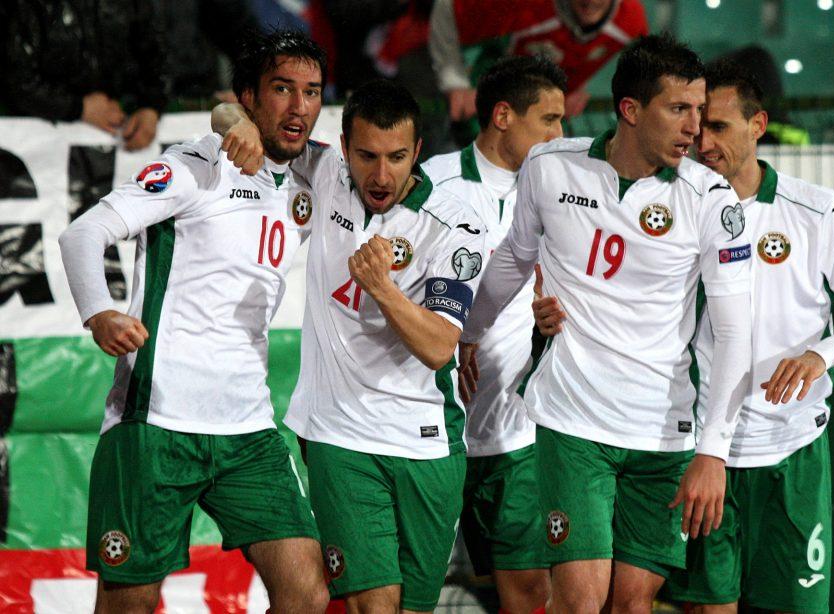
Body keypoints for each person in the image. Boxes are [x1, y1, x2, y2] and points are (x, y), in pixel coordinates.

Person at [460, 35, 753, 613]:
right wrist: (469, 331)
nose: (694, 127)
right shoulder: (550, 166)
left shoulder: (712, 199)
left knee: (632, 604)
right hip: (573, 421)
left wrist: (713, 452)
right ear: (631, 109)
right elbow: (515, 257)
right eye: (679, 108)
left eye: (699, 110)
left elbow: (735, 333)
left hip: (664, 431)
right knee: (579, 601)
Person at [57, 30, 330, 613]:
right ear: (249, 96)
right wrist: (99, 313)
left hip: (248, 428)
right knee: (129, 604)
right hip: (156, 422)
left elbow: (378, 157)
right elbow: (83, 233)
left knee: (307, 593)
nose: (299, 106)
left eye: (311, 92)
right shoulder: (195, 165)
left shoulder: (314, 174)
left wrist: (232, 116)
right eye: (282, 89)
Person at [212, 78, 488, 612]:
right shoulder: (326, 174)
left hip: (427, 443)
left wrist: (383, 288)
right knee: (372, 606)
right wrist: (238, 122)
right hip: (340, 435)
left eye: (396, 157)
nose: (381, 175)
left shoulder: (456, 227)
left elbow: (439, 347)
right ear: (343, 148)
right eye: (366, 156)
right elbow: (227, 115)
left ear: (417, 151)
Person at [659, 59, 834, 613]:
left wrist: (821, 355)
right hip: (701, 452)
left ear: (758, 125)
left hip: (792, 454)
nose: (704, 143)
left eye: (719, 127)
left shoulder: (817, 211)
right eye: (698, 127)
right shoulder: (671, 208)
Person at [421, 55, 566, 614]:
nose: (559, 134)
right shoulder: (432, 183)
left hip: (518, 430)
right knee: (416, 589)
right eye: (548, 120)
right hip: (434, 428)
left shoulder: (564, 193)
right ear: (503, 116)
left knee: (529, 590)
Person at [429, 0, 648, 120]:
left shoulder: (632, 20)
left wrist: (578, 84)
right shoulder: (526, 6)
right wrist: (454, 81)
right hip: (488, 97)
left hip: (541, 107)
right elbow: (448, 7)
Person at [0, 0, 168, 150]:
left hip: (119, 136)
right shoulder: (24, 6)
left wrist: (151, 106)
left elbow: (155, 51)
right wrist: (78, 107)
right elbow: (14, 77)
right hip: (34, 140)